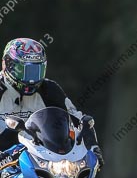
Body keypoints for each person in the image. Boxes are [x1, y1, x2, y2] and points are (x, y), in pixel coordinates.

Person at [0, 37, 102, 166]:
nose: (32, 80)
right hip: (4, 163)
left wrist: (93, 147)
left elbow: (77, 119)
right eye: (26, 71)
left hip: (41, 163)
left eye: (37, 71)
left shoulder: (50, 90)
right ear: (7, 65)